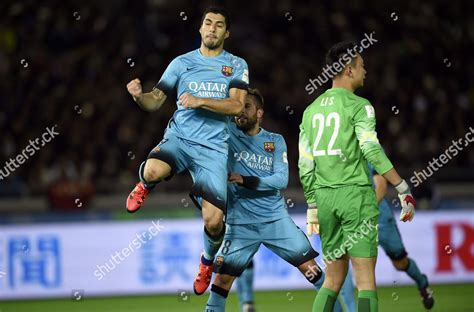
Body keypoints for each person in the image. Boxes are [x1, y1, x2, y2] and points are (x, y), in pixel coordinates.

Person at [125, 6, 249, 295]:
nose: (212, 29)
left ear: (226, 33)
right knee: (154, 168)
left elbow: (236, 105)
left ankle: (206, 262)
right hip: (180, 139)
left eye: (219, 25)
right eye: (208, 23)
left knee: (214, 221)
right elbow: (155, 100)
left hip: (214, 150)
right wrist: (138, 97)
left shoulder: (237, 64)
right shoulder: (181, 63)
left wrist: (200, 101)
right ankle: (144, 184)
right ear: (200, 28)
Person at [204, 89, 353, 312]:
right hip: (240, 224)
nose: (240, 112)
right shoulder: (228, 133)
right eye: (237, 107)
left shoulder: (275, 141)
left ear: (259, 113)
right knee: (221, 282)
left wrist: (246, 180)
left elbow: (280, 180)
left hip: (276, 221)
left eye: (246, 107)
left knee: (312, 271)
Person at [298, 41, 416, 312]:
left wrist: (313, 205)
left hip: (326, 200)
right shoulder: (360, 106)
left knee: (332, 279)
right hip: (355, 196)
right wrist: (401, 185)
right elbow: (372, 150)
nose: (366, 71)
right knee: (365, 281)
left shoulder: (310, 111)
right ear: (349, 69)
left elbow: (305, 165)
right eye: (362, 66)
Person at [371, 165, 434, 309]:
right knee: (356, 265)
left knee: (400, 263)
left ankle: (422, 283)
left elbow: (381, 187)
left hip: (379, 218)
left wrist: (366, 213)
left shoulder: (369, 146)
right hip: (353, 220)